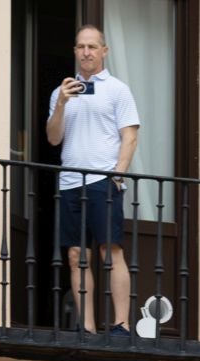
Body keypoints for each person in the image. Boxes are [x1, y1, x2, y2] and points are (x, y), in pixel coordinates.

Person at [45, 25, 140, 334]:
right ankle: (86, 327)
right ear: (75, 51)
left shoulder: (117, 89)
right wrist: (60, 102)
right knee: (76, 255)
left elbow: (130, 136)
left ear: (104, 51)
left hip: (104, 181)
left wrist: (118, 175)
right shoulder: (60, 94)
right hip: (71, 181)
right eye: (81, 47)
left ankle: (122, 324)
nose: (86, 52)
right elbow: (53, 138)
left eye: (92, 47)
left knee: (110, 250)